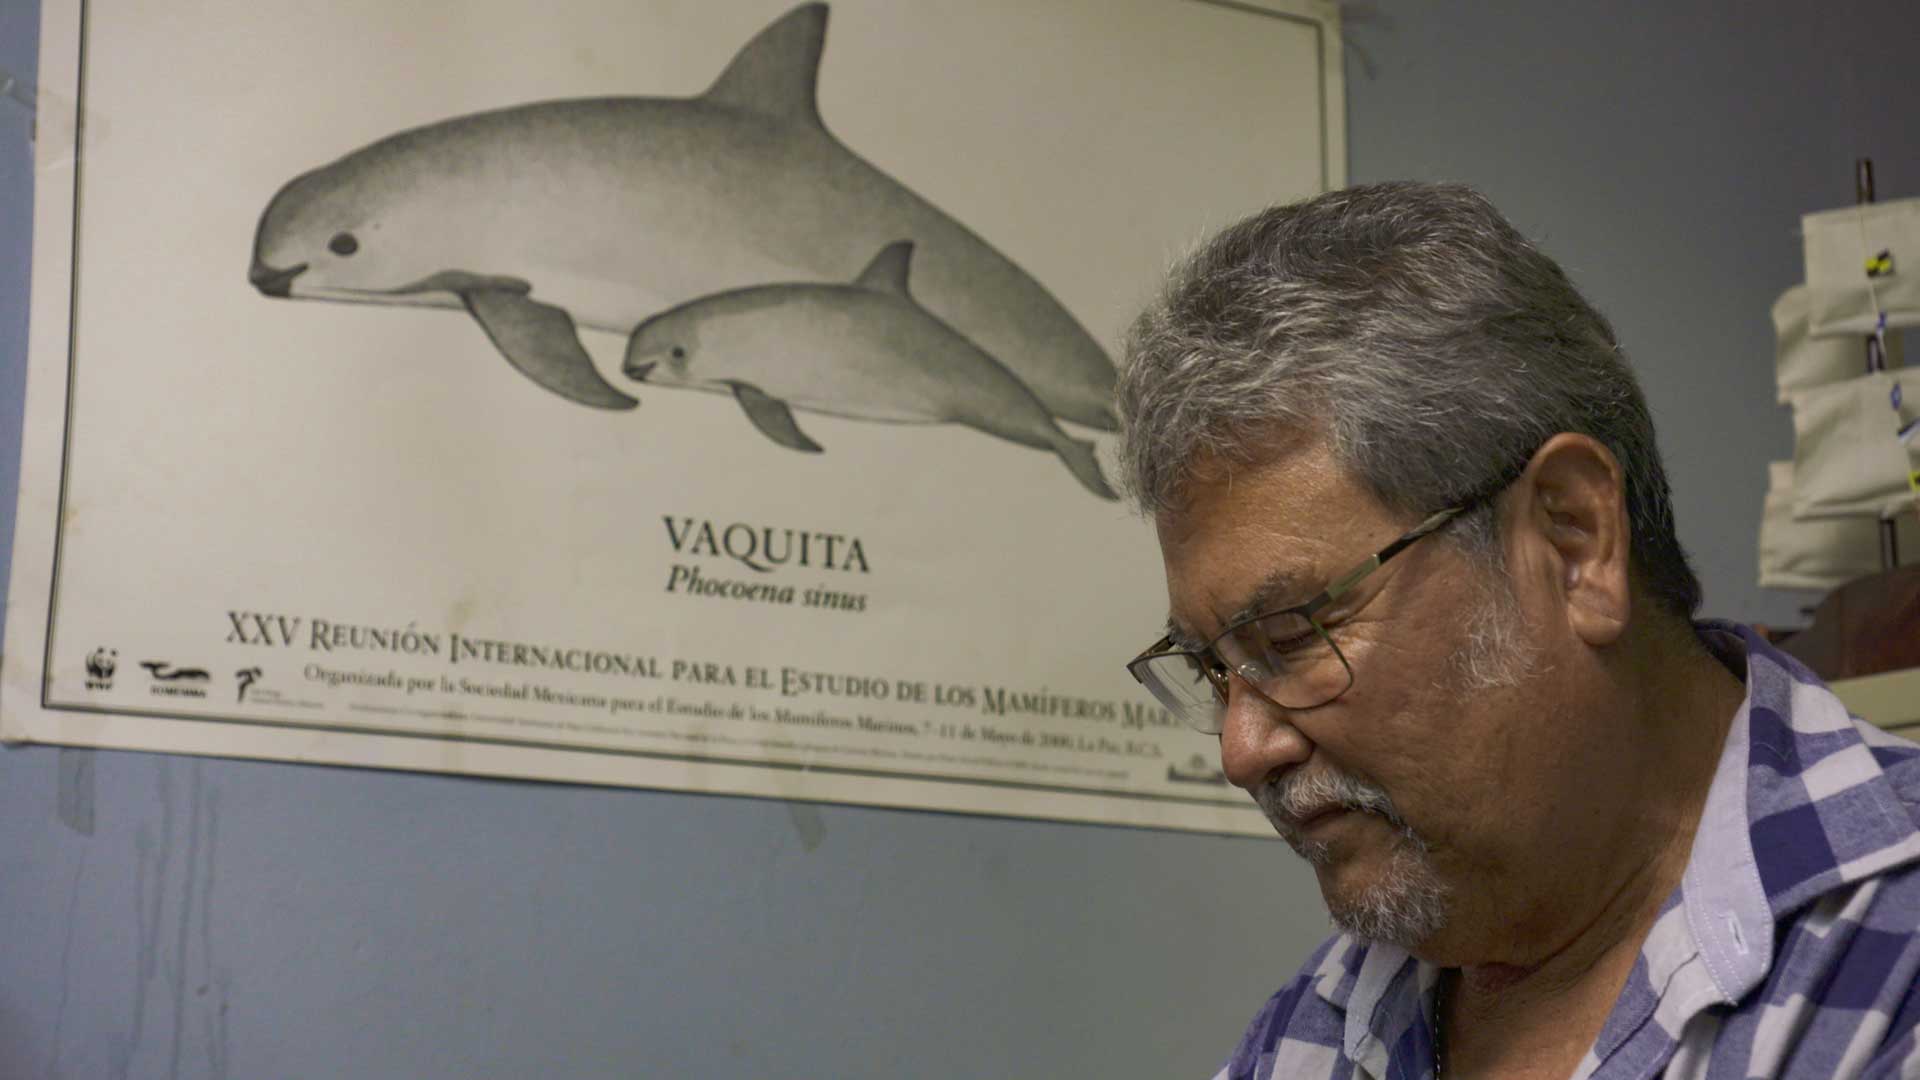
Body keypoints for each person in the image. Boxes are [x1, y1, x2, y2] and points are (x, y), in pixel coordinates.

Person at [1115, 182, 1920, 1080]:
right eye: (1212, 669)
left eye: (1295, 633)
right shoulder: (1318, 1033)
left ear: (1574, 541)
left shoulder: (1891, 965)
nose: (1242, 747)